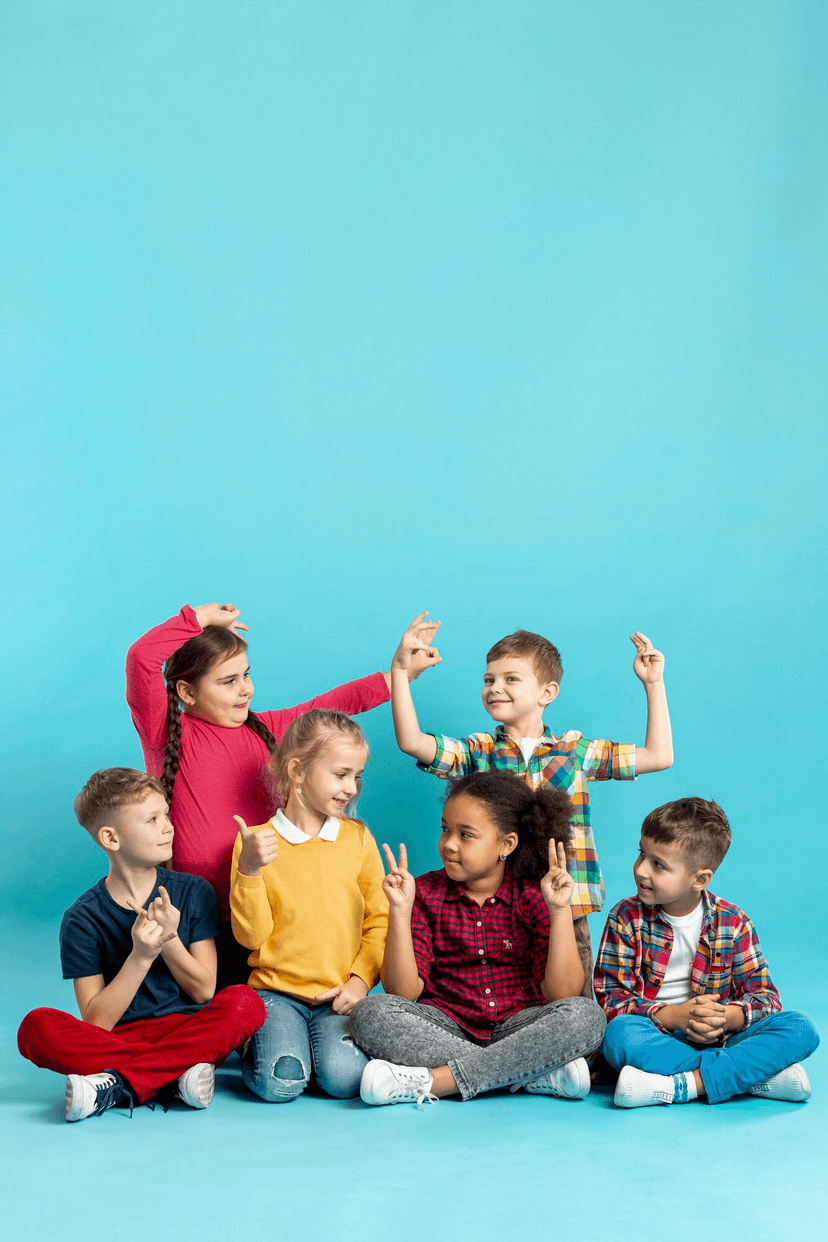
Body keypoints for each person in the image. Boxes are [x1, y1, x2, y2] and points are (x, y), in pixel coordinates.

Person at [126, 601, 435, 986]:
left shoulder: (266, 729)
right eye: (228, 681)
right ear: (187, 691)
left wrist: (401, 674)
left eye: (246, 675)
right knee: (200, 1008)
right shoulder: (165, 732)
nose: (245, 689)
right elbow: (141, 658)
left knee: (256, 1011)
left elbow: (333, 704)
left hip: (265, 916)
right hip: (191, 919)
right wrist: (199, 619)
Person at [388, 613, 673, 994]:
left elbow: (658, 756)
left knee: (572, 1005)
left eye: (510, 679)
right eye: (488, 680)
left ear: (547, 693)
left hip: (564, 905)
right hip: (499, 910)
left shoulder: (575, 751)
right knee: (502, 996)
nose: (495, 688)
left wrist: (653, 684)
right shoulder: (478, 751)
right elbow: (412, 741)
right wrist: (401, 673)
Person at [17, 769, 265, 1122]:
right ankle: (174, 1078)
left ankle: (116, 1084)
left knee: (246, 1002)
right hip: (121, 1039)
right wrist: (141, 955)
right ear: (111, 838)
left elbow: (204, 991)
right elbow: (98, 1022)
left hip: (189, 1030)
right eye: (152, 820)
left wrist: (169, 940)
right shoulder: (81, 918)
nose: (169, 827)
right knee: (35, 1026)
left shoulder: (194, 892)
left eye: (166, 814)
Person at [349, 771, 606, 1107]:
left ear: (506, 845)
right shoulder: (424, 893)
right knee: (370, 1012)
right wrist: (399, 910)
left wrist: (559, 911)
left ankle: (438, 1081)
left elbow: (563, 994)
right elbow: (402, 992)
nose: (449, 843)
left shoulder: (533, 895)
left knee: (587, 1015)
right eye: (445, 829)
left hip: (520, 1026)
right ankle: (524, 1076)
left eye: (466, 835)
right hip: (446, 1026)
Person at [593, 797, 819, 1107]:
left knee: (800, 1027)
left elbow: (766, 998)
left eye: (658, 864)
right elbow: (611, 1001)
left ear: (700, 879)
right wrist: (675, 1016)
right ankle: (750, 1079)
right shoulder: (626, 918)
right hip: (658, 1037)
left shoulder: (734, 923)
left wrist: (729, 1017)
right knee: (620, 1035)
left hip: (723, 1039)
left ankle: (684, 1085)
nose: (641, 870)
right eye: (641, 853)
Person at [229, 710, 388, 1103]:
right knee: (280, 1084)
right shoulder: (254, 843)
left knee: (347, 1081)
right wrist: (249, 870)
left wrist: (360, 981)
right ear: (297, 771)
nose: (351, 787)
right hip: (276, 993)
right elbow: (251, 937)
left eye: (356, 776)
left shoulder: (358, 839)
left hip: (336, 996)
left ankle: (299, 1047)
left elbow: (379, 921)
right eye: (341, 774)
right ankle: (256, 1041)